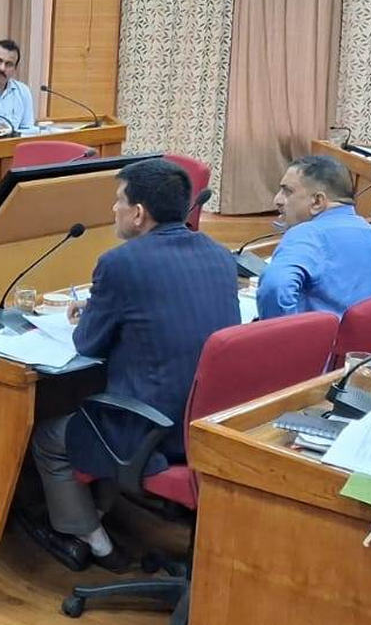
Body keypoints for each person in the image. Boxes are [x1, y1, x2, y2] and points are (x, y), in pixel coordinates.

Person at [26, 159, 239, 572]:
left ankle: (92, 539)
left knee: (49, 436)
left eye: (118, 201)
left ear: (138, 213)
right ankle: (101, 510)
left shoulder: (119, 263)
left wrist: (95, 315)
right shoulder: (219, 255)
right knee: (103, 401)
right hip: (207, 424)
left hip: (156, 432)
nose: (113, 210)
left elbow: (88, 344)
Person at [257, 155, 371, 319]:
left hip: (322, 335)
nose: (277, 200)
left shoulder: (307, 234)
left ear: (317, 201)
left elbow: (274, 287)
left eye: (287, 191)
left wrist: (284, 331)